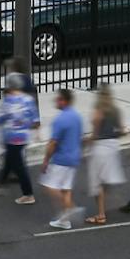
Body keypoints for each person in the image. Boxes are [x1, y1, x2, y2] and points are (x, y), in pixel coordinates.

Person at [0, 73, 38, 203]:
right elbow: (35, 119)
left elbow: (2, 116)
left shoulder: (9, 100)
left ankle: (28, 194)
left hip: (11, 136)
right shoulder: (28, 99)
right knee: (10, 160)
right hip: (23, 136)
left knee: (18, 166)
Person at [42, 89, 84, 230]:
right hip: (73, 158)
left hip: (61, 159)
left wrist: (46, 160)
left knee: (50, 187)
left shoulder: (60, 120)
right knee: (66, 189)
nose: (56, 101)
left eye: (58, 99)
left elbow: (53, 143)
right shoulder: (77, 117)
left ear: (64, 101)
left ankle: (72, 208)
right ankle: (65, 221)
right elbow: (79, 137)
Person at [86, 85, 125, 224]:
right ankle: (109, 201)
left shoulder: (99, 110)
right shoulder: (116, 110)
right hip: (113, 146)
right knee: (105, 178)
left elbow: (95, 133)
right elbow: (121, 131)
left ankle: (101, 214)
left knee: (97, 182)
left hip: (100, 148)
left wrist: (86, 142)